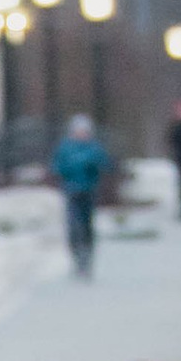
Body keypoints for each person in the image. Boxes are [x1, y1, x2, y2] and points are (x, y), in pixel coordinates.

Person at [52, 112, 110, 274]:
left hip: (89, 190)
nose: (82, 134)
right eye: (79, 131)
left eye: (84, 131)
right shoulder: (66, 148)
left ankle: (87, 254)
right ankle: (76, 254)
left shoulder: (94, 147)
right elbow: (57, 166)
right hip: (71, 191)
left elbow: (105, 164)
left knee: (87, 225)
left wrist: (92, 165)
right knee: (73, 225)